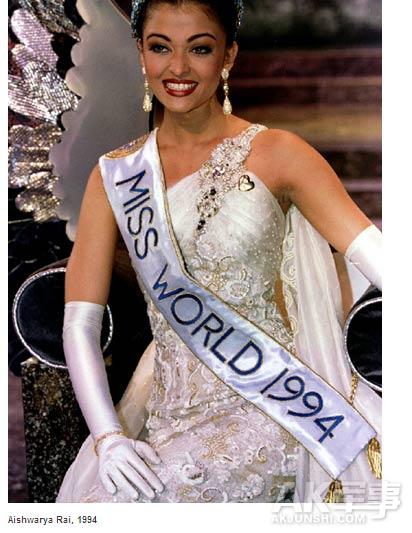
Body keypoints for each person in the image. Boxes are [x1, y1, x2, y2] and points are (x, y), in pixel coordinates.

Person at [56, 0, 382, 503]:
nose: (178, 68)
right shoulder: (116, 175)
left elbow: (381, 261)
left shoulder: (280, 153)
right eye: (160, 47)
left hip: (276, 409)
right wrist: (109, 438)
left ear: (228, 55)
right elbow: (80, 322)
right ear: (141, 53)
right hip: (165, 414)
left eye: (200, 49)